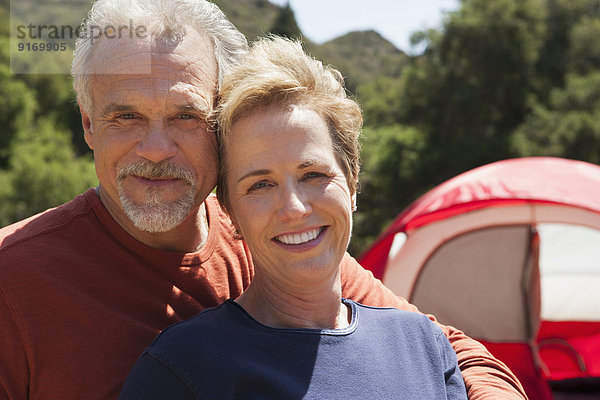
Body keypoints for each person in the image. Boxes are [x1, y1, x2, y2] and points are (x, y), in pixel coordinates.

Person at [0, 0, 526, 399]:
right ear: (89, 125)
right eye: (125, 116)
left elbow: (446, 352)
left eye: (187, 116)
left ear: (222, 128)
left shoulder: (274, 236)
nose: (156, 149)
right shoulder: (13, 282)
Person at [119, 36, 469, 399]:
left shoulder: (422, 345)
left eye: (313, 175)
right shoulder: (182, 369)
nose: (295, 208)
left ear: (351, 185)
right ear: (231, 212)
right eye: (260, 185)